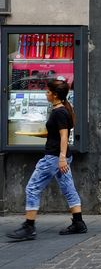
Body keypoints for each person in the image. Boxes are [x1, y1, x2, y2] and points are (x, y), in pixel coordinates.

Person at [6, 79, 86, 241]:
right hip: (60, 157)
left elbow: (64, 136)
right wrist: (36, 134)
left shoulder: (59, 112)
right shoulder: (60, 109)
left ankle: (29, 226)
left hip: (54, 158)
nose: (46, 94)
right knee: (68, 188)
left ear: (55, 95)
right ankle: (78, 223)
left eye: (48, 92)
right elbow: (56, 133)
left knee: (32, 188)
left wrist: (61, 158)